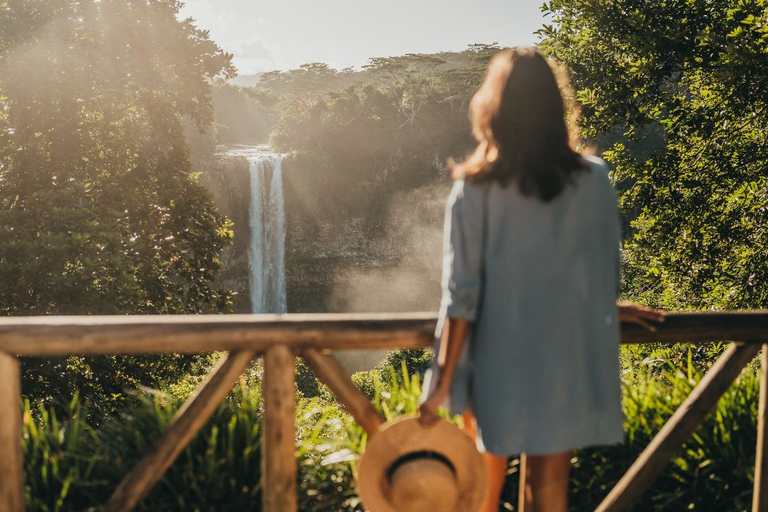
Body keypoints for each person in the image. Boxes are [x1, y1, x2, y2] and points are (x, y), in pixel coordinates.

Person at [418, 48, 664, 512]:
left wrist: (437, 389)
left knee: (482, 493)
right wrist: (608, 310)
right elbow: (600, 275)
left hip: (498, 358)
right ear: (556, 106)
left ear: (492, 108)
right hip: (564, 354)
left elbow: (462, 297)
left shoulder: (475, 187)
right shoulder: (592, 179)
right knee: (550, 492)